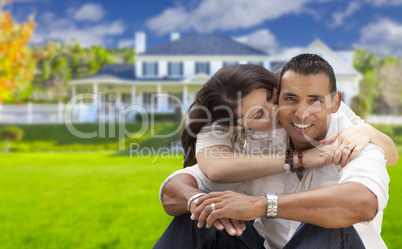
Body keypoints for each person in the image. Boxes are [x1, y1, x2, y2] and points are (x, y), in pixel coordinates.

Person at [155, 57, 394, 249]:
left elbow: (362, 202)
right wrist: (199, 203)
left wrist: (263, 205)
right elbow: (176, 188)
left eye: (275, 98)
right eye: (258, 115)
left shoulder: (353, 137)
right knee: (198, 218)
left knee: (331, 220)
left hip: (340, 244)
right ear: (241, 125)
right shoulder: (254, 139)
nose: (282, 111)